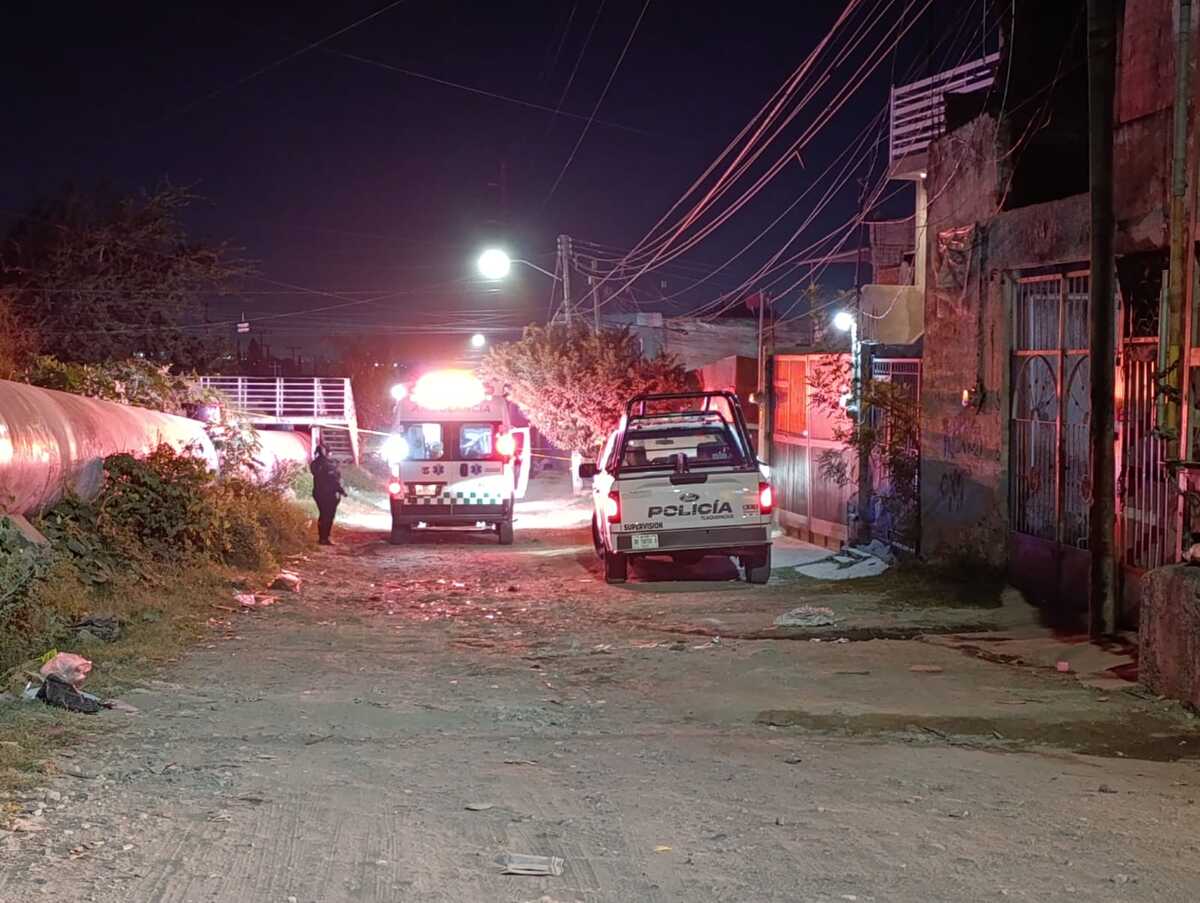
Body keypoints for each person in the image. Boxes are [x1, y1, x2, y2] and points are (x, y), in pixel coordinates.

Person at [310, 444, 346, 546]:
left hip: (318, 493)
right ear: (327, 453)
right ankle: (325, 538)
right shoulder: (329, 465)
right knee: (329, 516)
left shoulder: (314, 464)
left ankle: (322, 537)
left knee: (322, 515)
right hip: (329, 494)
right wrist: (341, 491)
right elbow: (334, 480)